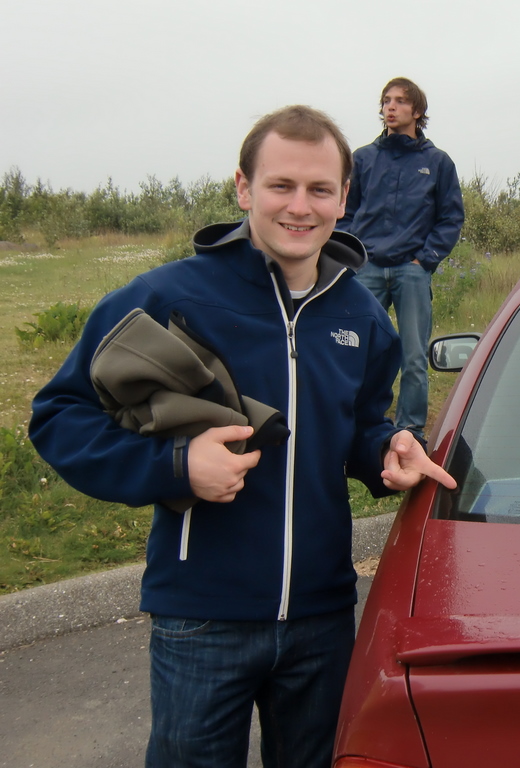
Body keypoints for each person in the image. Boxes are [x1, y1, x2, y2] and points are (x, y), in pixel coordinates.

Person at [29, 105, 456, 768]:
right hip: (201, 616)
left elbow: (358, 425)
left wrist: (385, 451)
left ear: (345, 197)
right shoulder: (170, 298)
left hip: (320, 618)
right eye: (281, 185)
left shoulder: (362, 314)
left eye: (319, 189)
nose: (300, 206)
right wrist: (176, 465)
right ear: (242, 188)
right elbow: (59, 414)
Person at [338, 77, 464, 439]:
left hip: (412, 271)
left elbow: (450, 217)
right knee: (356, 349)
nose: (390, 107)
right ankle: (353, 424)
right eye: (386, 101)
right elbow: (344, 211)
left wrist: (425, 260)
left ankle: (409, 431)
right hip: (368, 270)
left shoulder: (437, 162)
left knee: (413, 357)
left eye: (400, 101)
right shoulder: (362, 159)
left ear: (417, 111)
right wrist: (355, 255)